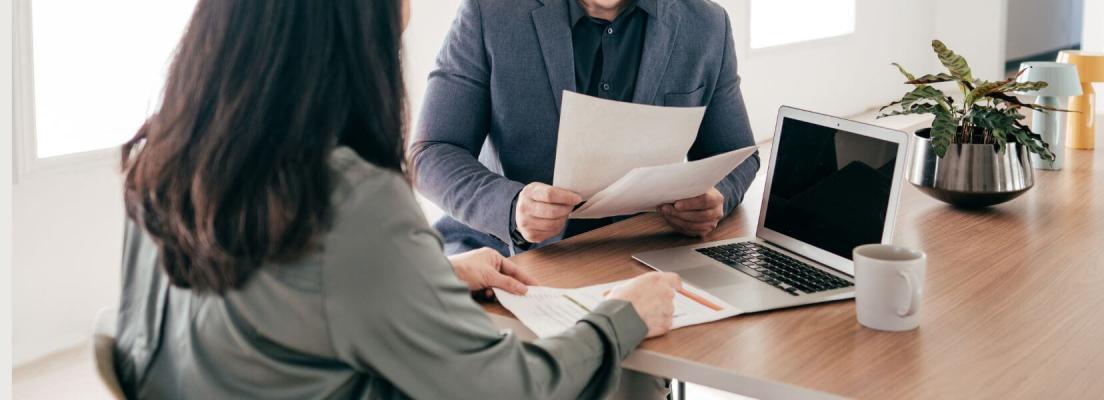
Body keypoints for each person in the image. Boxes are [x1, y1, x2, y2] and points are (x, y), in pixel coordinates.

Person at [113, 0, 680, 398]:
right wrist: (620, 318)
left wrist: (424, 273)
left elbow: (284, 301)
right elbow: (508, 389)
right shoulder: (352, 199)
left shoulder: (164, 158)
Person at [412, 0, 760, 256]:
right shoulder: (489, 12)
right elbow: (431, 152)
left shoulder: (707, 24)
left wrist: (717, 196)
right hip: (506, 254)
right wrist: (512, 207)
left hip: (645, 254)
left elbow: (738, 154)